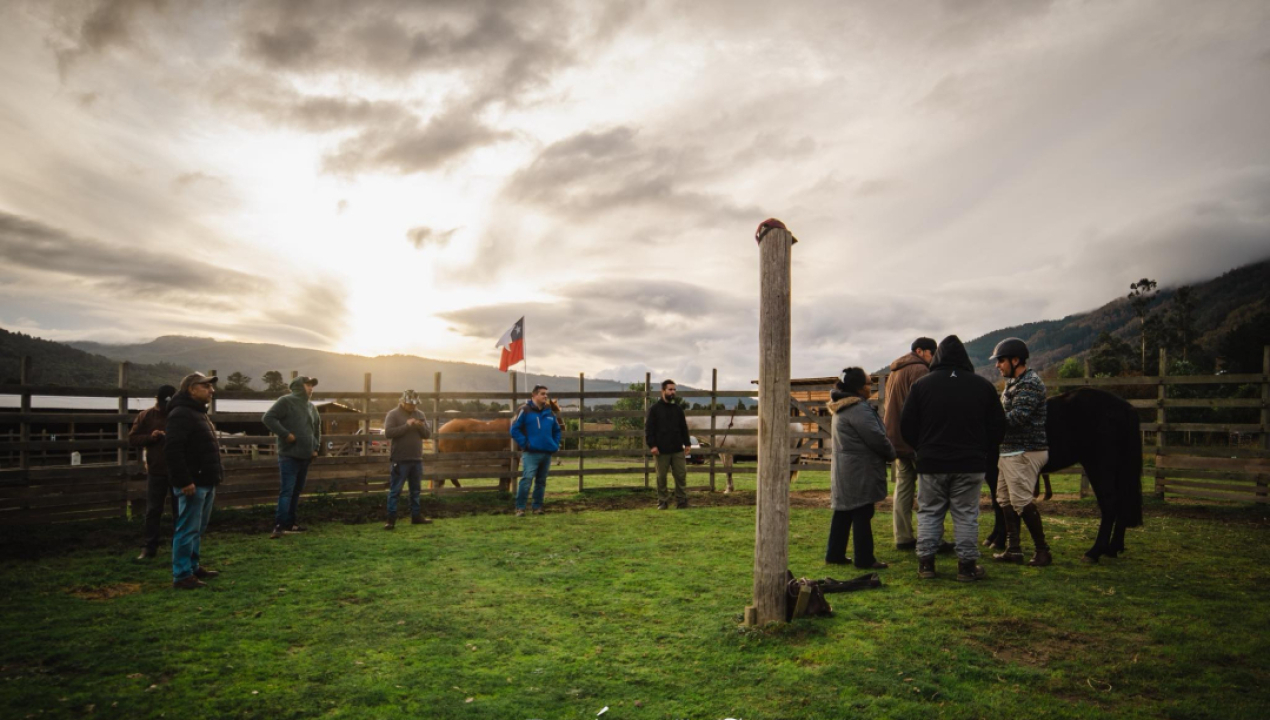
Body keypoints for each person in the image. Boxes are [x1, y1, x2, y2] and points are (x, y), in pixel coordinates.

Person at [900, 335, 1006, 582]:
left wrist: (922, 448)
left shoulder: (922, 386)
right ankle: (967, 567)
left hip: (931, 462)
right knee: (966, 513)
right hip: (970, 463)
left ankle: (926, 564)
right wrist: (983, 450)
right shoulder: (982, 386)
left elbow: (907, 425)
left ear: (937, 357)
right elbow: (998, 427)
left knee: (929, 512)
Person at [825, 367, 896, 569]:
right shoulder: (859, 409)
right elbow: (877, 438)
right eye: (867, 383)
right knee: (862, 512)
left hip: (846, 469)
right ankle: (864, 559)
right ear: (857, 387)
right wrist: (891, 453)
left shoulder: (842, 408)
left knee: (844, 511)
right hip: (861, 469)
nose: (870, 387)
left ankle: (835, 553)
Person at [990, 337, 1052, 567]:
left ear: (1016, 360)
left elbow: (1018, 417)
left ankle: (1043, 550)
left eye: (1001, 360)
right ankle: (1013, 549)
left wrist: (988, 424)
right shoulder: (1014, 383)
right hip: (1009, 451)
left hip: (1025, 450)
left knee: (1021, 500)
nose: (998, 365)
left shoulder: (1030, 383)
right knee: (1004, 499)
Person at [164, 373, 223, 590]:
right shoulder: (181, 414)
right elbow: (172, 449)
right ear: (191, 389)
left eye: (211, 387)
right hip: (193, 483)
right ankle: (181, 574)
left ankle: (192, 566)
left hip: (205, 480)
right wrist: (184, 480)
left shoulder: (197, 413)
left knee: (196, 528)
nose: (211, 390)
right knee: (187, 528)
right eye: (206, 386)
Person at [883, 337, 936, 550]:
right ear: (921, 351)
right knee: (929, 489)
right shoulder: (920, 370)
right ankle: (930, 537)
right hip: (916, 440)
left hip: (895, 437)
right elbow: (925, 407)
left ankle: (903, 536)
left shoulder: (895, 371)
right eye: (932, 353)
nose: (933, 358)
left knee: (903, 487)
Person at [262, 375, 321, 539]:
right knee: (287, 491)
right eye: (307, 385)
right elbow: (268, 418)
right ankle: (279, 525)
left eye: (312, 386)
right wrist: (285, 434)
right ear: (297, 386)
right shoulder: (286, 401)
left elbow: (316, 429)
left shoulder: (311, 407)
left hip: (306, 455)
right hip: (289, 455)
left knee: (296, 491)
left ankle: (291, 524)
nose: (310, 388)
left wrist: (315, 447)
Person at [130, 384, 179, 560]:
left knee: (179, 510)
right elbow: (133, 438)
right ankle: (149, 547)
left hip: (178, 470)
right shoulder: (146, 415)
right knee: (153, 510)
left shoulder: (178, 415)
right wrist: (152, 437)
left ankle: (178, 546)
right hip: (156, 470)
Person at [383, 389, 433, 529]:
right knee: (395, 491)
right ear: (403, 402)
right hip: (399, 459)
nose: (413, 407)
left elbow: (427, 434)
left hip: (416, 458)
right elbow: (388, 433)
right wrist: (407, 425)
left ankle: (416, 516)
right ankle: (391, 520)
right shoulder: (393, 414)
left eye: (415, 404)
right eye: (410, 404)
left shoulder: (420, 414)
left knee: (415, 491)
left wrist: (420, 427)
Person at [509, 385, 561, 517]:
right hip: (531, 453)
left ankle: (537, 507)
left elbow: (557, 430)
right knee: (527, 480)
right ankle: (520, 508)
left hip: (546, 453)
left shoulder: (549, 412)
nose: (545, 396)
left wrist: (554, 444)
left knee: (541, 482)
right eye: (543, 394)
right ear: (534, 395)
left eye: (546, 394)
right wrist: (525, 444)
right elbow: (514, 429)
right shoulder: (524, 410)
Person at [646, 379, 691, 510]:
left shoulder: (678, 409)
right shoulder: (654, 410)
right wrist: (652, 445)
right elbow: (649, 429)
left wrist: (687, 443)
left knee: (681, 475)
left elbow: (684, 427)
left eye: (674, 390)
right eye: (670, 389)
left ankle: (681, 501)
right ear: (663, 391)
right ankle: (662, 501)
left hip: (677, 449)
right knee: (661, 477)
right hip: (661, 450)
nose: (673, 392)